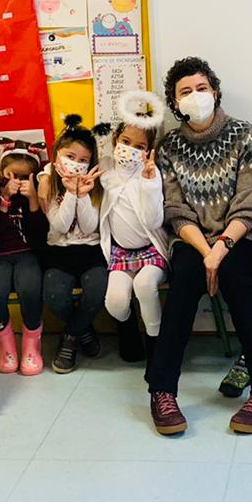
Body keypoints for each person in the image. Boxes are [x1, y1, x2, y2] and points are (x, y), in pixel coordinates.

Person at [145, 56, 252, 436]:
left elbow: (251, 204)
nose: (196, 95)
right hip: (193, 239)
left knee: (235, 275)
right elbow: (175, 209)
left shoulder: (243, 134)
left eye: (202, 88)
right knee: (186, 277)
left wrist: (220, 249)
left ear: (216, 91)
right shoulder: (169, 146)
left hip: (246, 237)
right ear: (175, 103)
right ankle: (161, 391)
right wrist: (206, 253)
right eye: (185, 91)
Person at [100, 91, 171, 365]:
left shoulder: (151, 175)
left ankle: (156, 343)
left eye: (139, 146)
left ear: (149, 151)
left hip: (151, 250)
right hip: (120, 252)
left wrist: (150, 184)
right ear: (115, 140)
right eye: (126, 141)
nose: (130, 149)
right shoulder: (105, 169)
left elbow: (153, 222)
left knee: (144, 285)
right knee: (116, 301)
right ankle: (127, 330)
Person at [39, 116, 107, 373]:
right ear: (57, 156)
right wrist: (70, 192)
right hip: (59, 252)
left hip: (91, 251)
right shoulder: (48, 182)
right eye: (70, 156)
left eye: (83, 160)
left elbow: (89, 227)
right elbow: (59, 225)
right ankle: (83, 331)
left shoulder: (96, 186)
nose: (76, 164)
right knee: (54, 296)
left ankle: (69, 338)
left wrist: (83, 194)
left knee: (97, 291)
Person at [0, 141, 49, 375]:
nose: (18, 181)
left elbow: (39, 236)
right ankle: (5, 341)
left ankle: (32, 341)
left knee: (30, 289)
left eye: (24, 177)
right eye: (12, 175)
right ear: (3, 174)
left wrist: (33, 200)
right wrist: (4, 199)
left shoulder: (36, 196)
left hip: (28, 254)